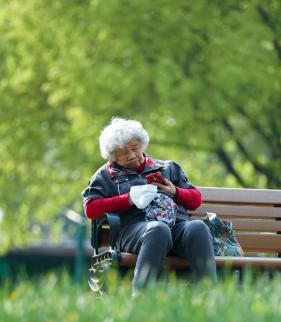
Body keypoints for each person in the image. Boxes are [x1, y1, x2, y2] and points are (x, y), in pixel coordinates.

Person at [82, 117, 217, 292]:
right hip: (134, 231)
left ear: (142, 145)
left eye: (134, 149)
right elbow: (91, 209)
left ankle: (208, 295)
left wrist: (174, 191)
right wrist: (128, 199)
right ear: (113, 155)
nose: (131, 156)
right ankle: (140, 296)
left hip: (176, 227)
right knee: (158, 229)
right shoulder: (105, 176)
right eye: (123, 153)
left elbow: (195, 199)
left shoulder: (167, 168)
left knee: (197, 227)